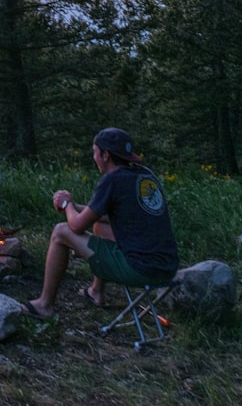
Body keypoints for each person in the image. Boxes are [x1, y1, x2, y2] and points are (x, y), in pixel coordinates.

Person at [25, 127, 178, 319]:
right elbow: (103, 215)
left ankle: (44, 305)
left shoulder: (112, 180)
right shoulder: (145, 175)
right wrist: (75, 207)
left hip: (141, 269)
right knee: (100, 226)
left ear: (105, 155)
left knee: (60, 232)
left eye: (95, 153)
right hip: (168, 267)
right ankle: (96, 292)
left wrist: (66, 204)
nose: (94, 157)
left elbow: (76, 226)